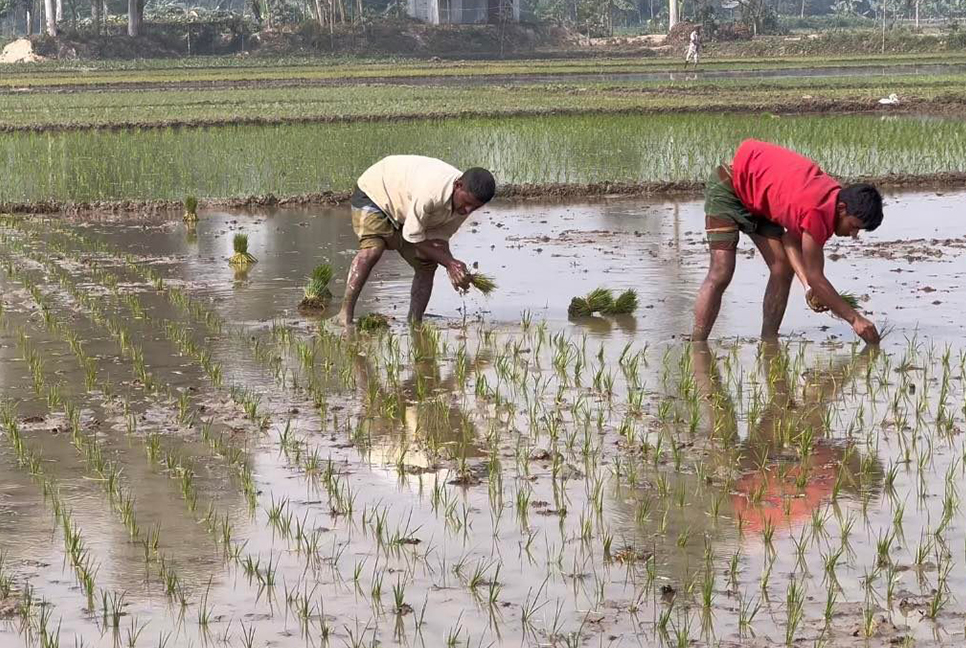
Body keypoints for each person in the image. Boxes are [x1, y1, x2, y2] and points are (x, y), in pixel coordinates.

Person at [692, 139, 883, 344]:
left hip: (758, 198)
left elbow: (790, 239)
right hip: (731, 185)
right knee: (721, 271)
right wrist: (855, 319)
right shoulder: (817, 211)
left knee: (782, 267)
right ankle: (697, 346)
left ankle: (769, 342)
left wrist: (808, 287)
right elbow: (817, 277)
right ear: (842, 209)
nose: (853, 234)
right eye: (853, 226)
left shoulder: (832, 201)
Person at [338, 155, 496, 327]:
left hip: (406, 208)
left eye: (475, 207)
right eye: (467, 203)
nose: (468, 210)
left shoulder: (462, 206)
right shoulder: (431, 193)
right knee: (373, 249)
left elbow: (439, 240)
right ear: (458, 186)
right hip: (375, 194)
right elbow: (412, 236)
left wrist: (453, 269)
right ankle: (344, 316)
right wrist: (450, 263)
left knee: (427, 263)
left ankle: (415, 323)